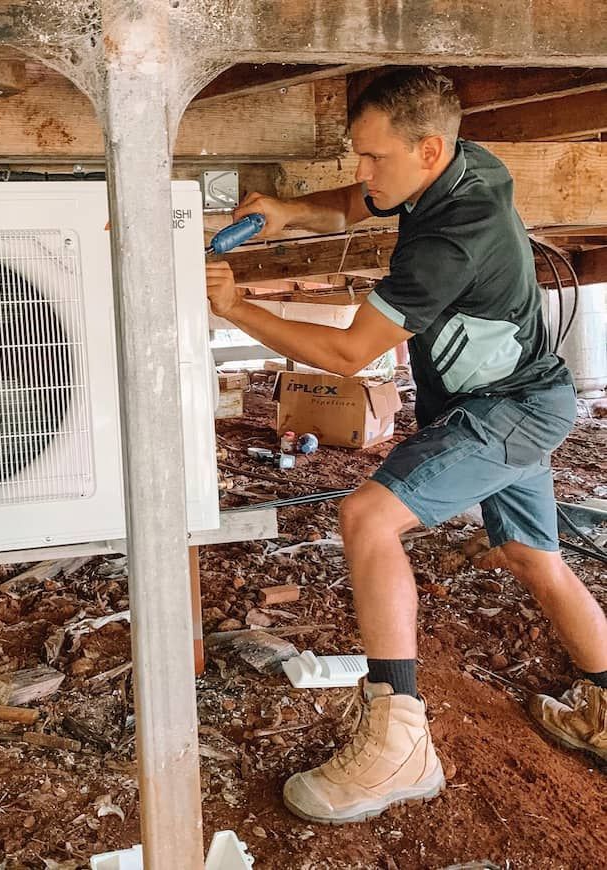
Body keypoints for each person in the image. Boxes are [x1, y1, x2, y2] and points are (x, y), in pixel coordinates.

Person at [205, 67, 607, 825]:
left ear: (427, 148)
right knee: (534, 559)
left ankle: (401, 745)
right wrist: (290, 210)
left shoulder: (451, 244)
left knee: (367, 518)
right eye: (358, 154)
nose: (361, 172)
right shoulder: (465, 164)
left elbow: (348, 355)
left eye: (372, 157)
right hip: (523, 394)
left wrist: (237, 306)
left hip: (508, 410)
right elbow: (370, 198)